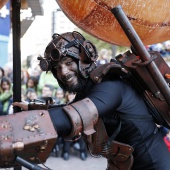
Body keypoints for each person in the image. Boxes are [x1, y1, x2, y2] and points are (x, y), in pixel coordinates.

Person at [13, 31, 170, 170]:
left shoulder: (111, 87)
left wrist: (11, 130)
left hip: (153, 164)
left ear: (85, 58)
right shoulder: (89, 90)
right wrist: (32, 108)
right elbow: (68, 109)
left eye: (68, 63)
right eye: (58, 68)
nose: (64, 72)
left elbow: (71, 117)